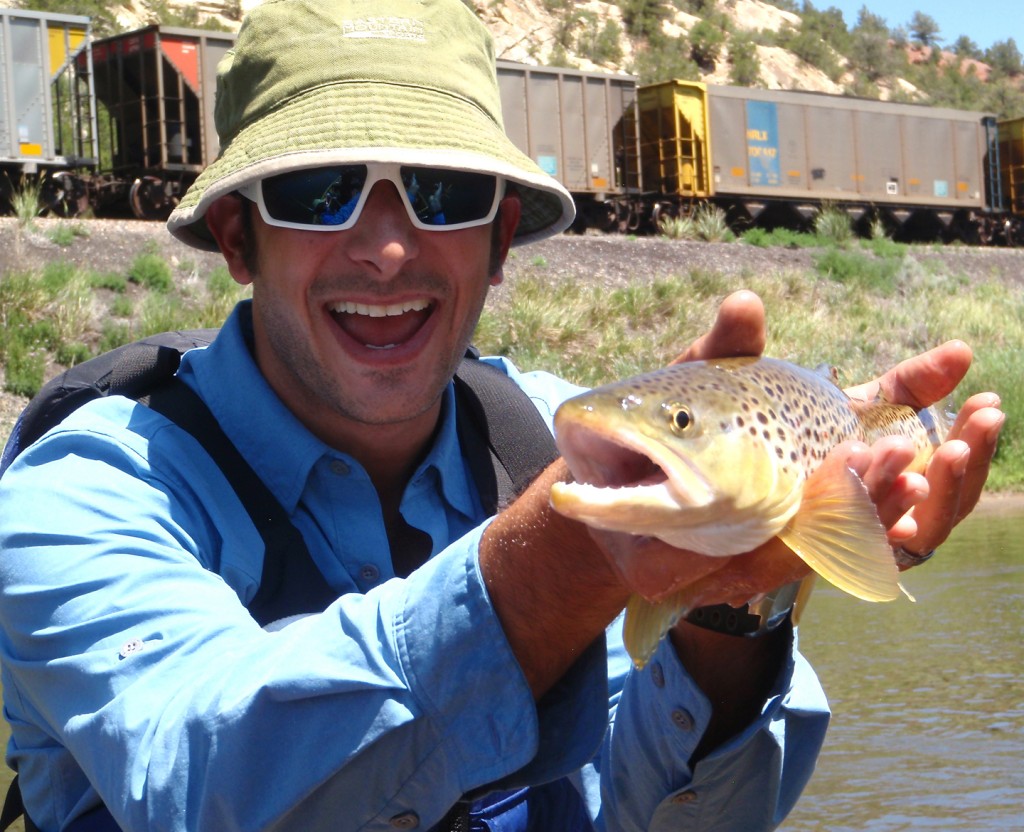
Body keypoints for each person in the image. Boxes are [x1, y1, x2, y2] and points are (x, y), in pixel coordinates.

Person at [0, 1, 1003, 830]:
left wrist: (735, 604)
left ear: (501, 235)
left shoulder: (556, 433)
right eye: (319, 191)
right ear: (236, 234)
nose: (386, 250)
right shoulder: (79, 495)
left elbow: (675, 818)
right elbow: (196, 785)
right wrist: (571, 560)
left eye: (440, 194)